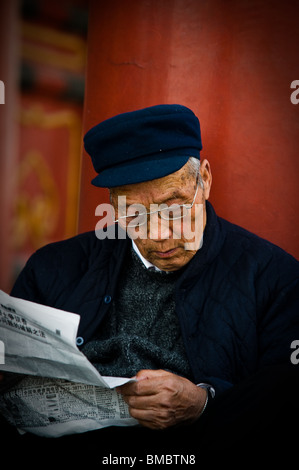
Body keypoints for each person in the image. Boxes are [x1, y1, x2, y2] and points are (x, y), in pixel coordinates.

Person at [0, 104, 298, 463]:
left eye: (173, 207)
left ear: (204, 180)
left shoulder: (275, 277)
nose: (159, 234)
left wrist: (204, 404)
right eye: (133, 214)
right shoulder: (53, 268)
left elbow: (283, 404)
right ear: (112, 205)